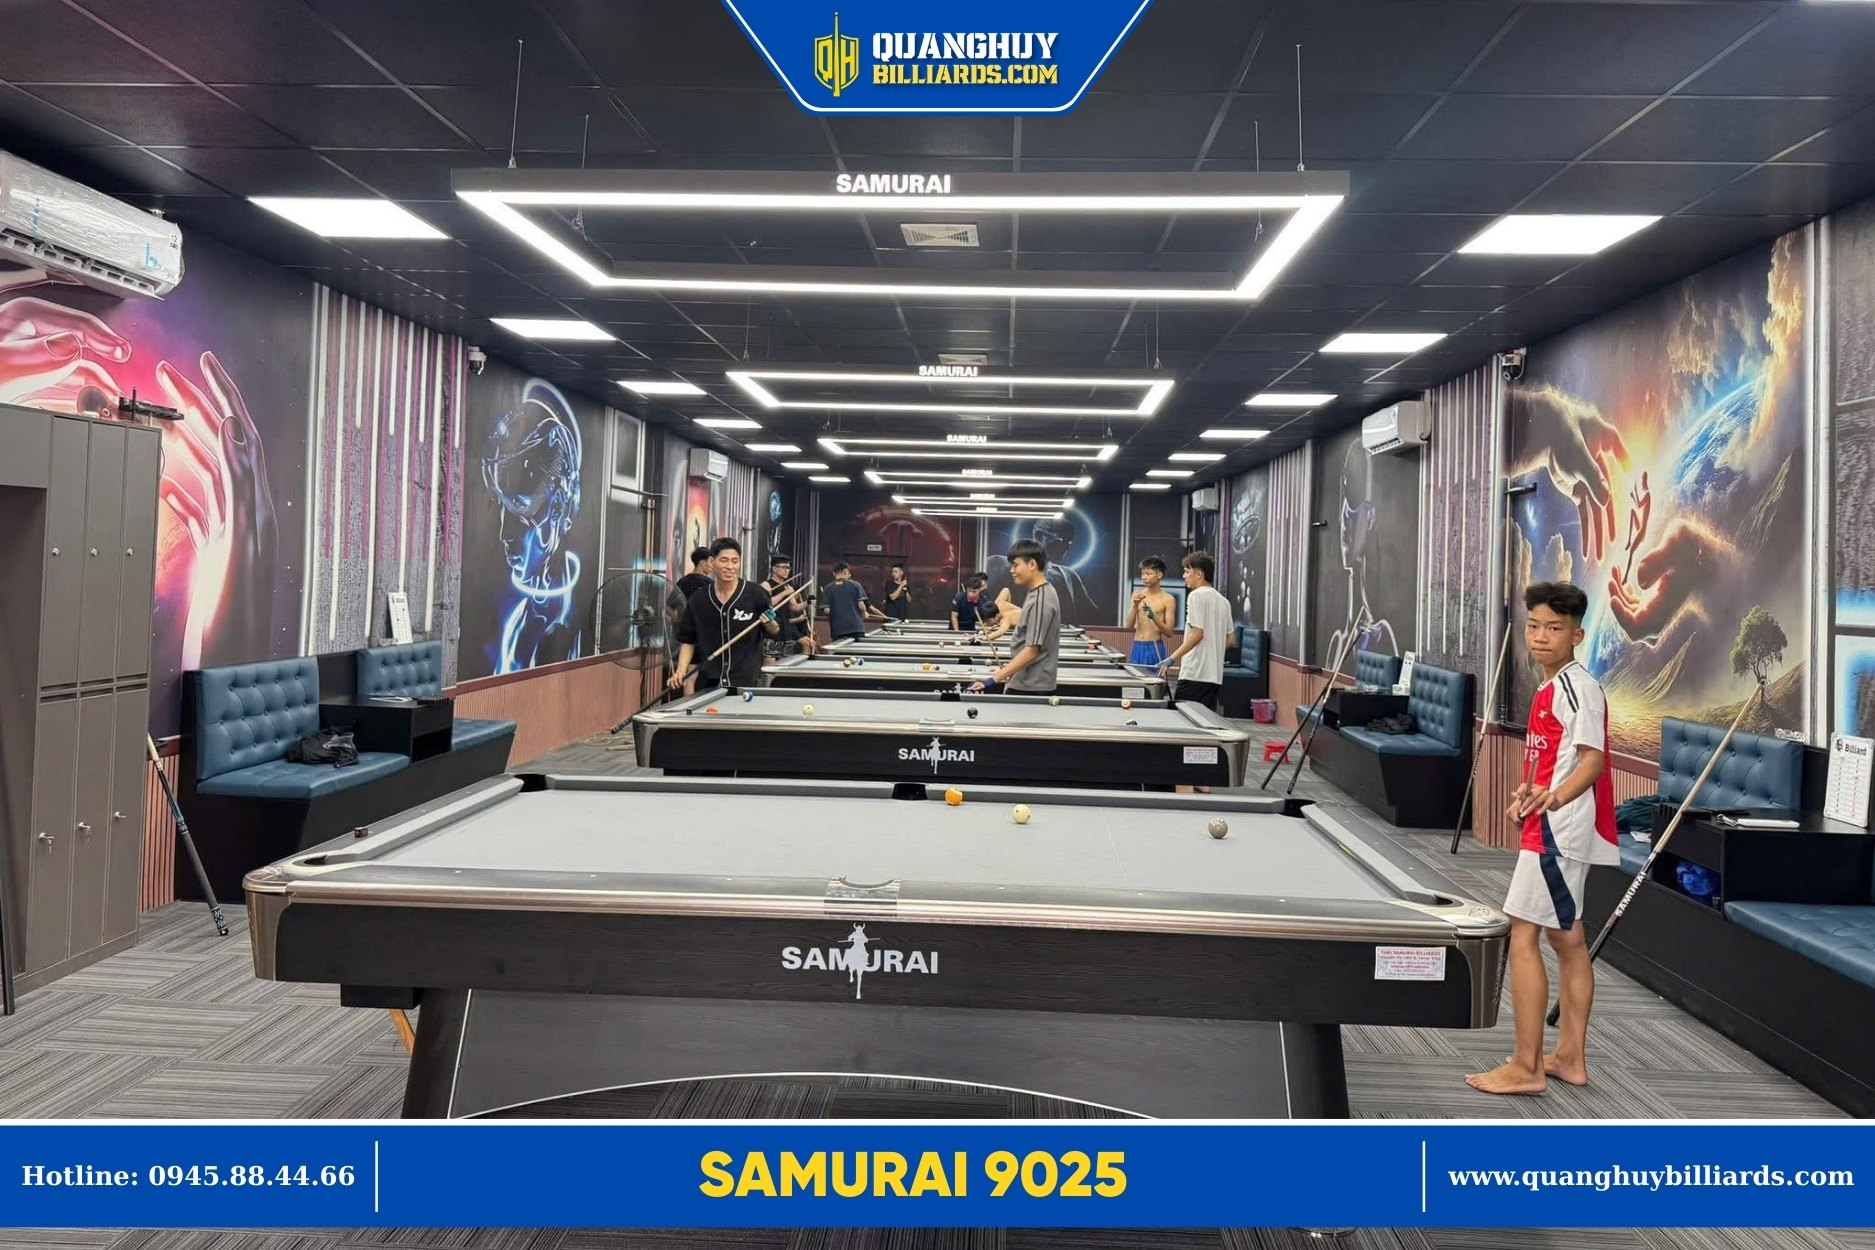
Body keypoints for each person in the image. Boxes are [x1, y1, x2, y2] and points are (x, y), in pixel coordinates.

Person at [1467, 581, 1616, 1097]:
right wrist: (1528, 794)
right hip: (1550, 823)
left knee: (1522, 935)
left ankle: (1526, 1066)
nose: (1540, 636)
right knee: (1567, 940)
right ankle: (1570, 1056)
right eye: (1533, 626)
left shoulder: (1578, 688)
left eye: (1554, 628)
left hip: (1559, 833)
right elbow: (1556, 760)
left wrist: (1552, 801)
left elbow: (1592, 762)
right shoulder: (1550, 687)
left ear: (1576, 635)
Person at [668, 538, 780, 693]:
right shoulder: (698, 599)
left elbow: (774, 629)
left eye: (735, 561)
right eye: (724, 560)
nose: (730, 566)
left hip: (745, 682)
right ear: (712, 561)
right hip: (708, 682)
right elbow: (688, 641)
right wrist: (680, 671)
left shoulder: (756, 594)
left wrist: (769, 623)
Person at [970, 540, 1059, 697]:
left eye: (1015, 565)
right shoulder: (1037, 593)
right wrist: (1012, 668)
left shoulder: (1041, 599)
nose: (1012, 570)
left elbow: (1031, 651)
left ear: (1032, 564)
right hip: (1026, 680)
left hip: (1031, 686)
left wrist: (993, 680)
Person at [1159, 551, 1229, 712]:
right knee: (1204, 721)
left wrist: (1171, 658)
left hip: (1194, 674)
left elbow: (1197, 633)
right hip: (1214, 677)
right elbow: (1230, 639)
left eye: (1186, 571)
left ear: (1199, 574)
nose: (1184, 576)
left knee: (1182, 719)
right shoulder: (1223, 601)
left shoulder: (1196, 596)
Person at [1127, 557, 1179, 669]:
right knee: (1134, 678)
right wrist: (1134, 606)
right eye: (1142, 573)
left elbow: (1169, 633)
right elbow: (1128, 626)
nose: (1144, 577)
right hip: (1137, 645)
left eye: (1148, 573)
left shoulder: (1168, 599)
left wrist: (1154, 617)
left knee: (1155, 678)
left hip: (1154, 646)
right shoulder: (1137, 595)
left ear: (1159, 575)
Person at [761, 556, 814, 662]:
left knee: (786, 660)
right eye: (784, 567)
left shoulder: (787, 586)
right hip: (772, 627)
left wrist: (807, 602)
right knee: (770, 660)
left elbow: (794, 607)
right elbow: (767, 603)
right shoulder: (766, 584)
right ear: (774, 569)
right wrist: (784, 593)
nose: (787, 570)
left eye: (788, 568)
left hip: (785, 627)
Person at [822, 562, 884, 643]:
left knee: (840, 650)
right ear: (845, 571)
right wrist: (864, 613)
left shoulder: (828, 588)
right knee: (857, 649)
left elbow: (826, 610)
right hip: (856, 627)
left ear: (834, 573)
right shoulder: (855, 585)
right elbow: (861, 606)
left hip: (838, 629)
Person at [668, 546, 714, 617]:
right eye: (711, 562)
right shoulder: (709, 584)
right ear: (702, 563)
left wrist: (680, 619)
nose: (712, 566)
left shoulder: (682, 581)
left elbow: (669, 608)